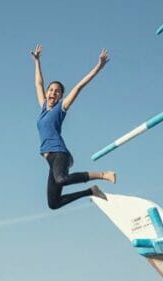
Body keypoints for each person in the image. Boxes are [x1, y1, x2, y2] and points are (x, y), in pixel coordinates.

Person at [32, 44, 116, 210]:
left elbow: (79, 86)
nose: (53, 93)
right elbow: (38, 84)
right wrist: (37, 61)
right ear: (47, 93)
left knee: (61, 179)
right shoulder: (43, 108)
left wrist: (98, 66)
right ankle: (91, 191)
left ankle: (103, 174)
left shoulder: (60, 108)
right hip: (50, 160)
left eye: (57, 91)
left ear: (61, 96)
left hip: (59, 154)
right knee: (53, 203)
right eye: (51, 90)